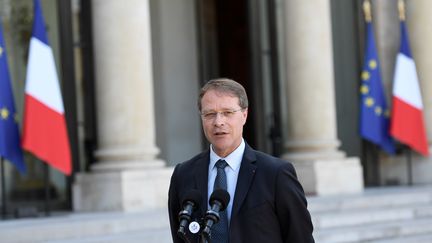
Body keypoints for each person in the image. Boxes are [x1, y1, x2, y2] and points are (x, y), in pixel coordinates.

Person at [168, 78, 314, 243]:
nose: (218, 122)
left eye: (228, 113)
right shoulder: (183, 174)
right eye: (209, 114)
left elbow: (300, 237)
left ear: (244, 115)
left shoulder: (275, 174)